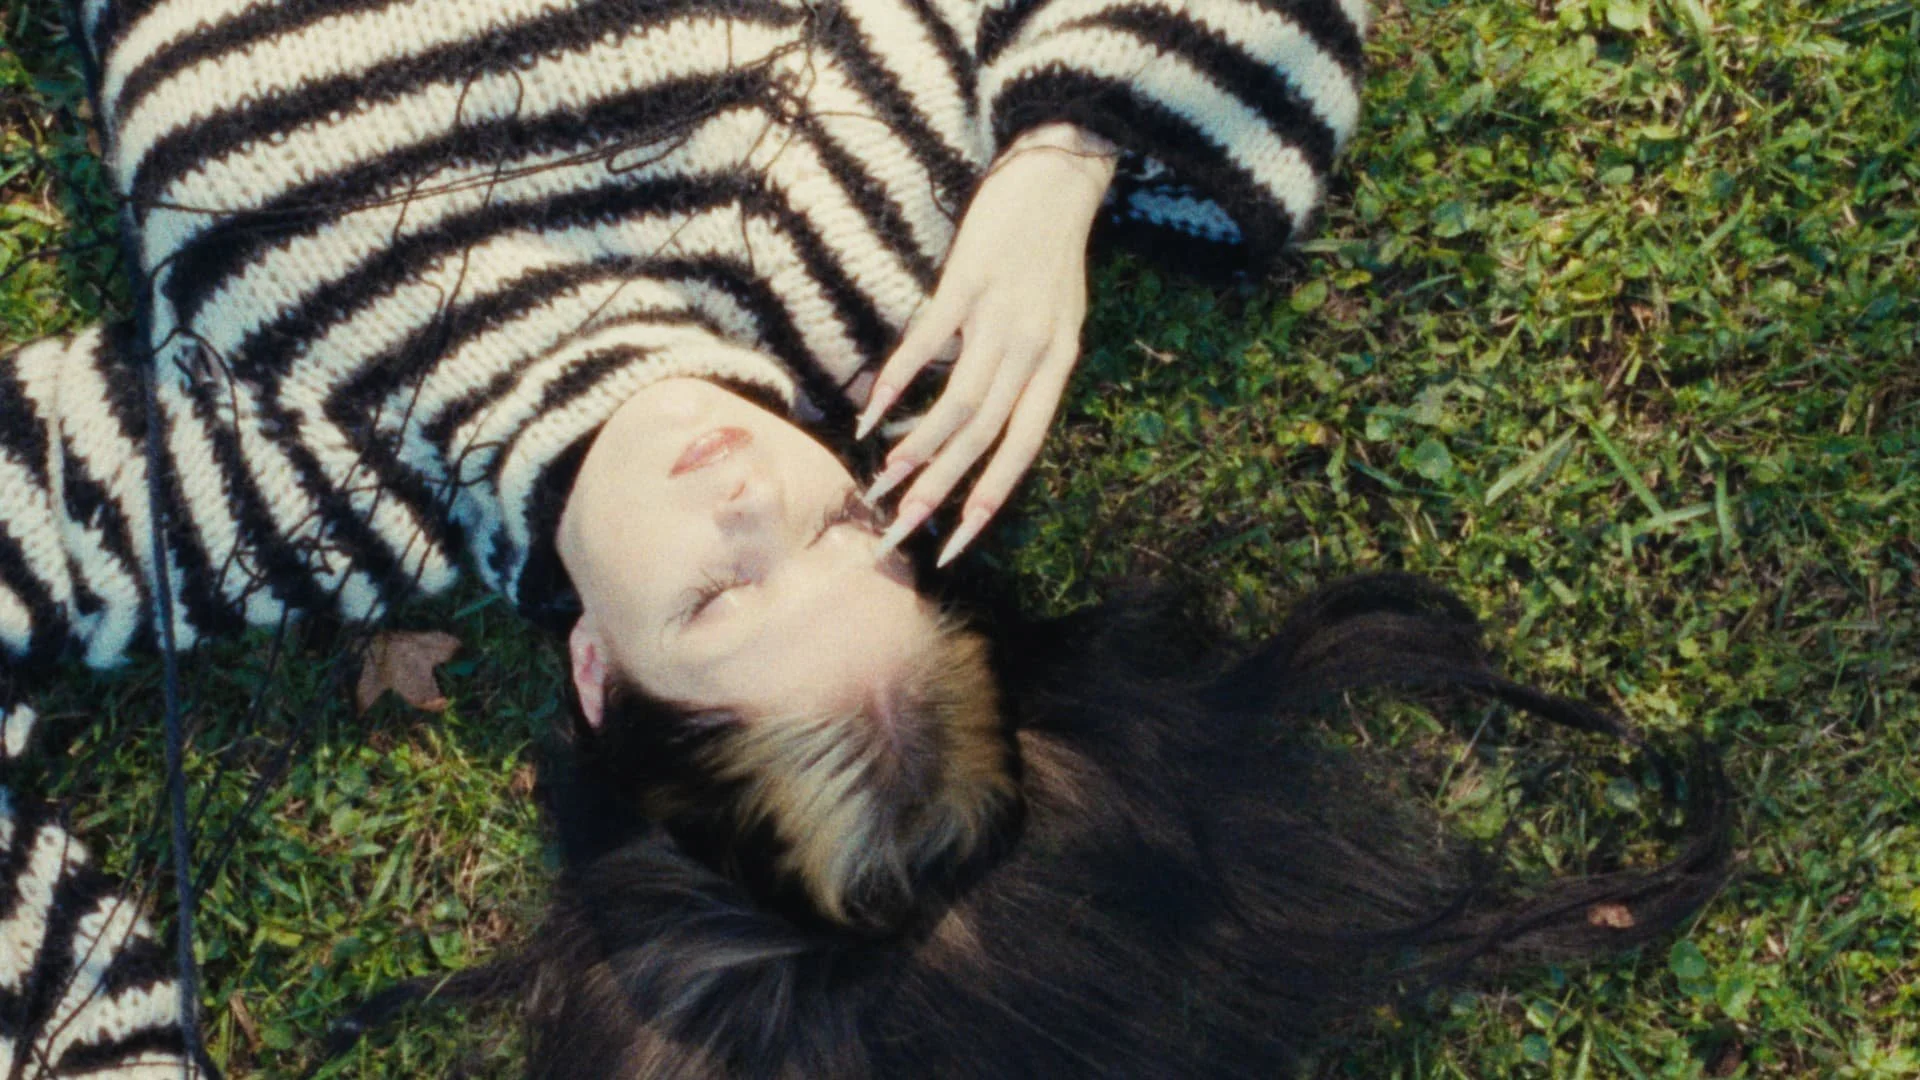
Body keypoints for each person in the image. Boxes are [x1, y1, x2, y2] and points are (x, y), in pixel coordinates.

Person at [0, 0, 1369, 1071]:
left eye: (720, 600)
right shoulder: (837, 259)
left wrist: (97, 1043)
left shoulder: (298, 478)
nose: (751, 492)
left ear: (600, 677)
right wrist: (1063, 162)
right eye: (847, 531)